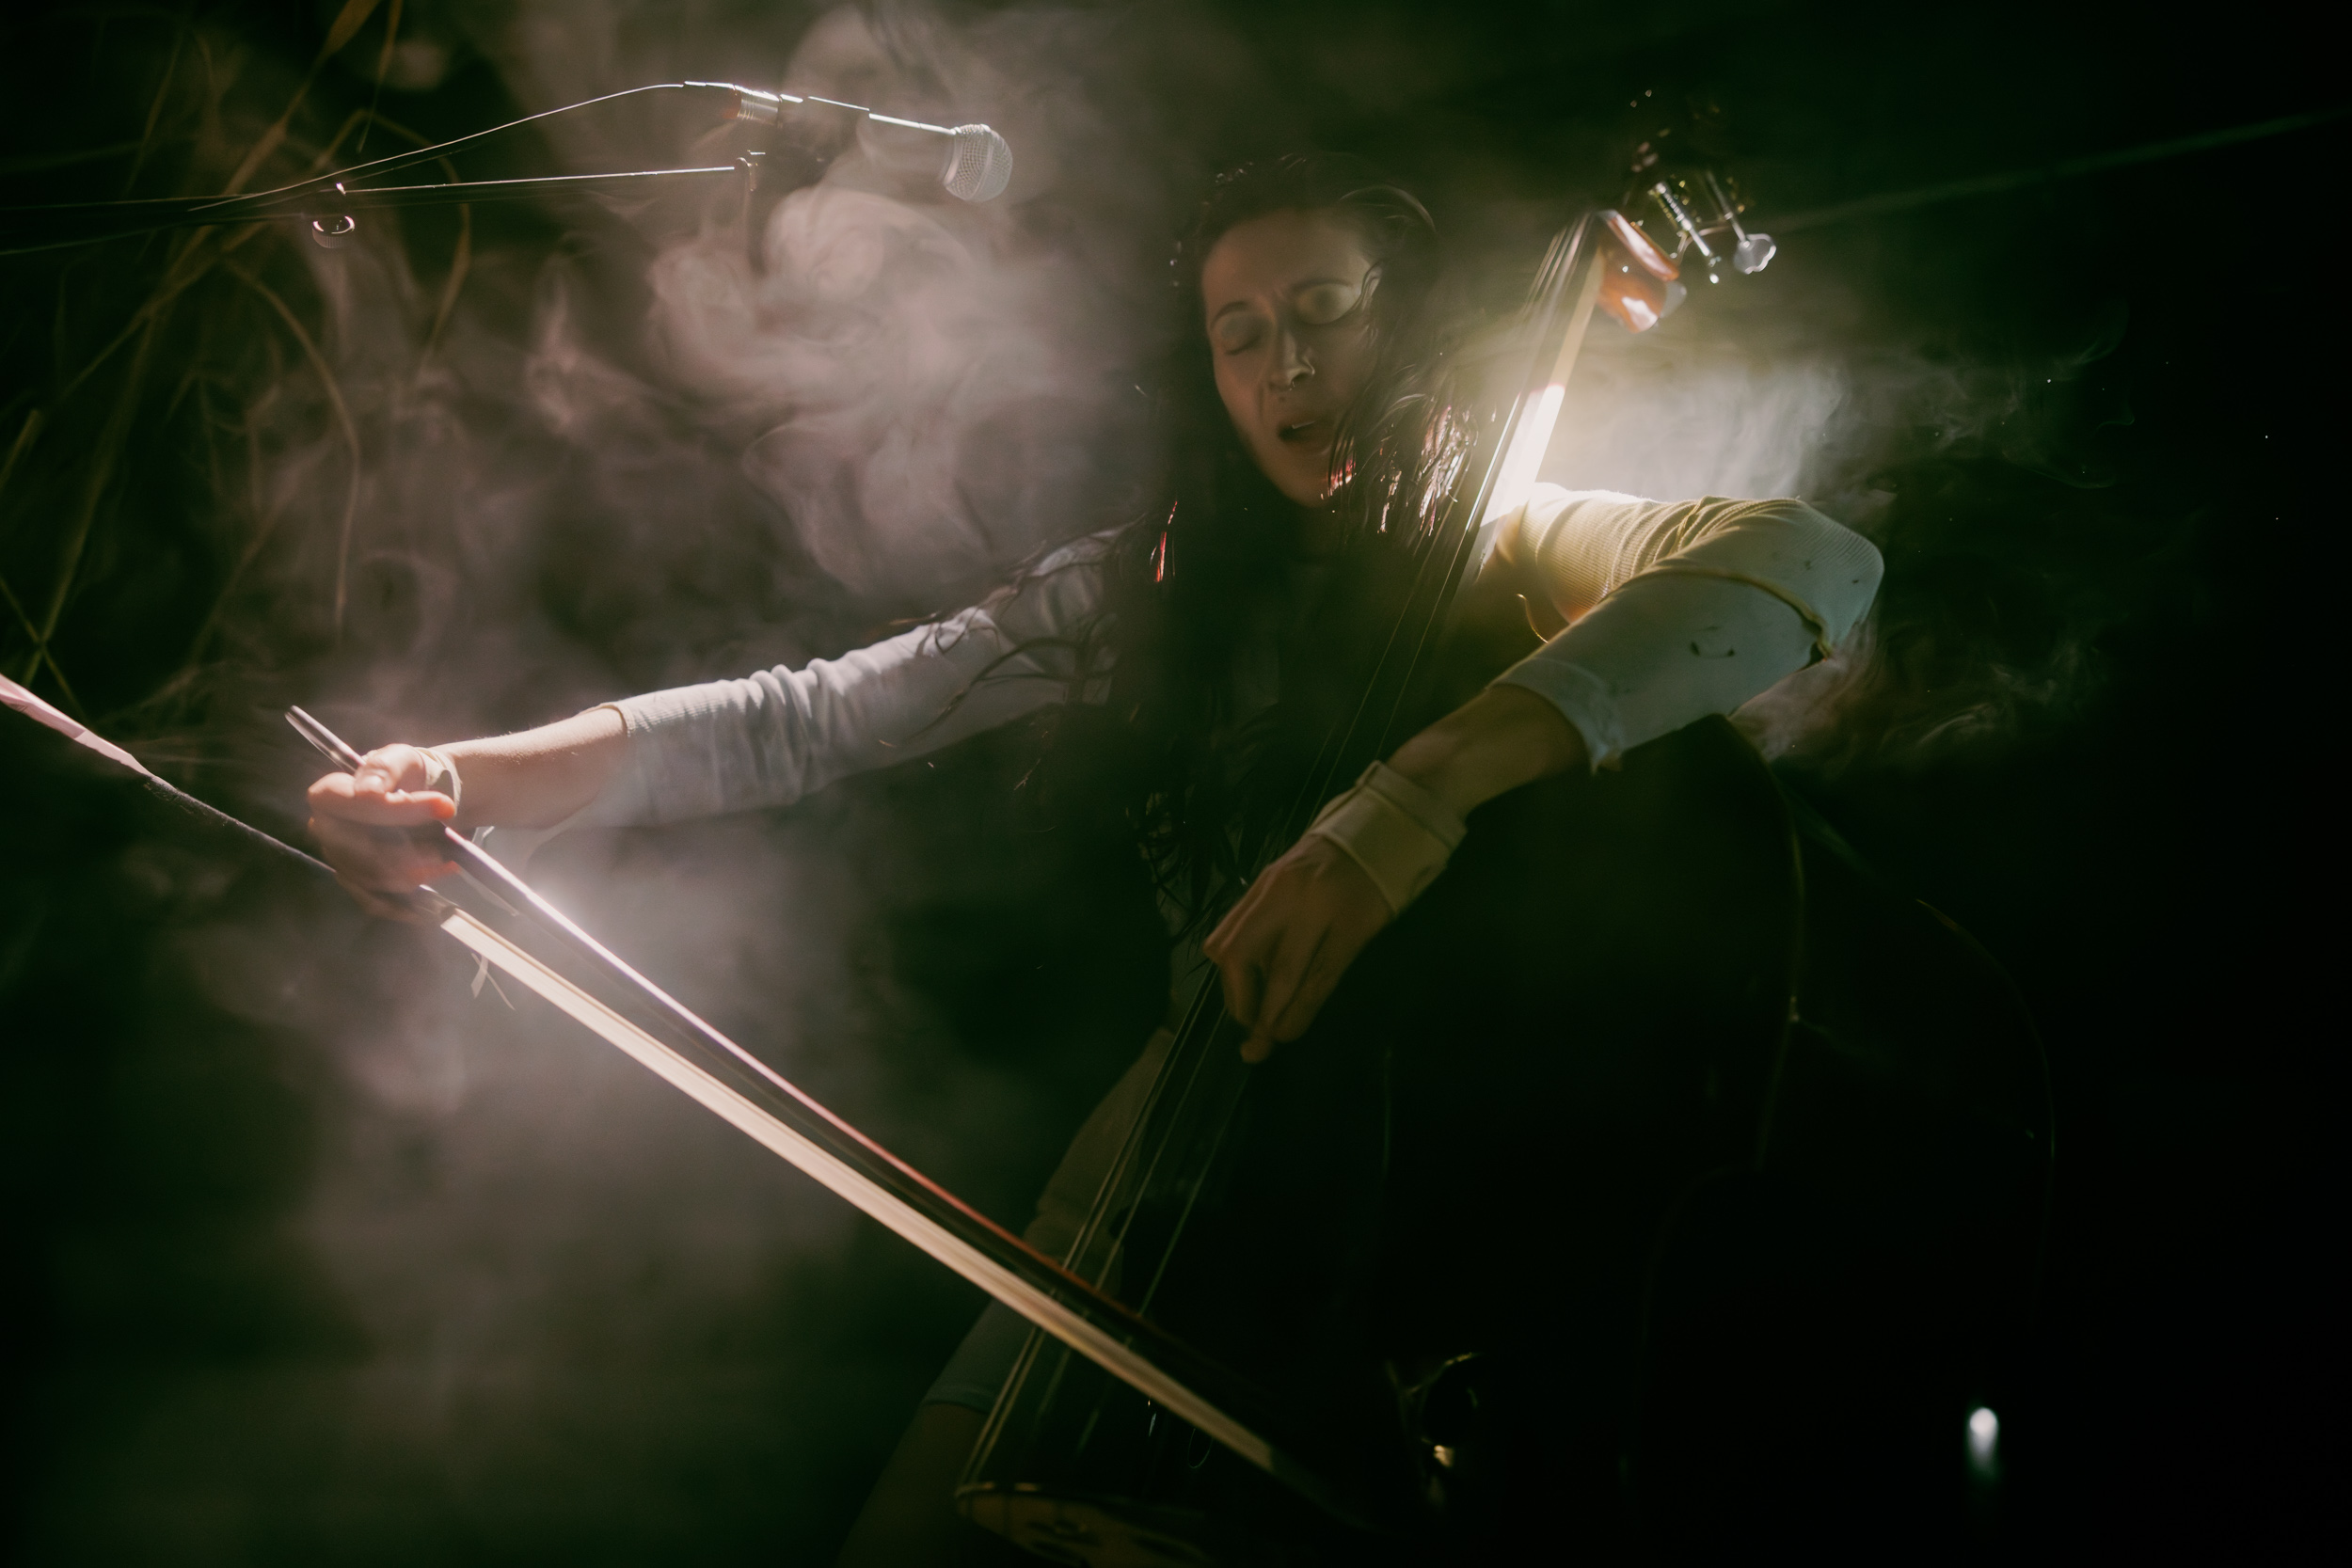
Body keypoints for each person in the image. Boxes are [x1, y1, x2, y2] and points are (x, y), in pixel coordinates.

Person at [308, 154, 1883, 1561]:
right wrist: (466, 777)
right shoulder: (1142, 591)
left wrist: (1412, 798)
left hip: (1436, 1210)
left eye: (1325, 311)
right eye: (1241, 333)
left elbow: (1816, 559)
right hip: (1163, 1165)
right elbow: (804, 721)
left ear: (1398, 329)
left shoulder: (1513, 543)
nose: (1287, 363)